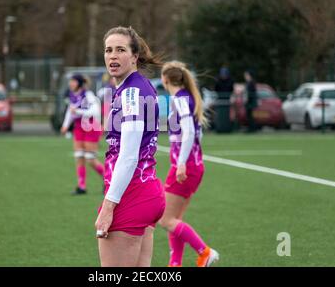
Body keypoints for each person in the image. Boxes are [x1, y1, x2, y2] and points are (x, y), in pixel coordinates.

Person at [95, 26, 165, 267]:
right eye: (108, 50)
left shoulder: (132, 92)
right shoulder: (134, 87)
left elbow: (128, 156)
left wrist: (108, 205)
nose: (112, 56)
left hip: (131, 194)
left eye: (120, 50)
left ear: (134, 56)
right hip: (145, 192)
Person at [159, 61, 219, 267]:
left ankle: (205, 252)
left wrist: (182, 163)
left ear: (165, 79)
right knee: (174, 219)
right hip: (193, 166)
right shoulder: (185, 98)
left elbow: (190, 132)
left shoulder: (180, 99)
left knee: (165, 219)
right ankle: (175, 264)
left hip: (186, 166)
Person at [61, 74, 105, 195]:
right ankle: (81, 186)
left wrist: (79, 111)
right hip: (78, 127)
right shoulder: (71, 95)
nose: (71, 84)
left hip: (90, 126)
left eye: (73, 81)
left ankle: (108, 180)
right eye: (70, 81)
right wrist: (65, 125)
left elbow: (95, 111)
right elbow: (71, 112)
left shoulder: (88, 95)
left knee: (90, 159)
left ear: (79, 83)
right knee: (79, 156)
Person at [214, 67, 234, 133]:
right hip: (220, 101)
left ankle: (227, 129)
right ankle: (219, 128)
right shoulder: (218, 80)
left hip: (227, 101)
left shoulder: (230, 80)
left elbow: (231, 89)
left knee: (227, 117)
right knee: (219, 117)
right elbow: (216, 89)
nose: (224, 76)